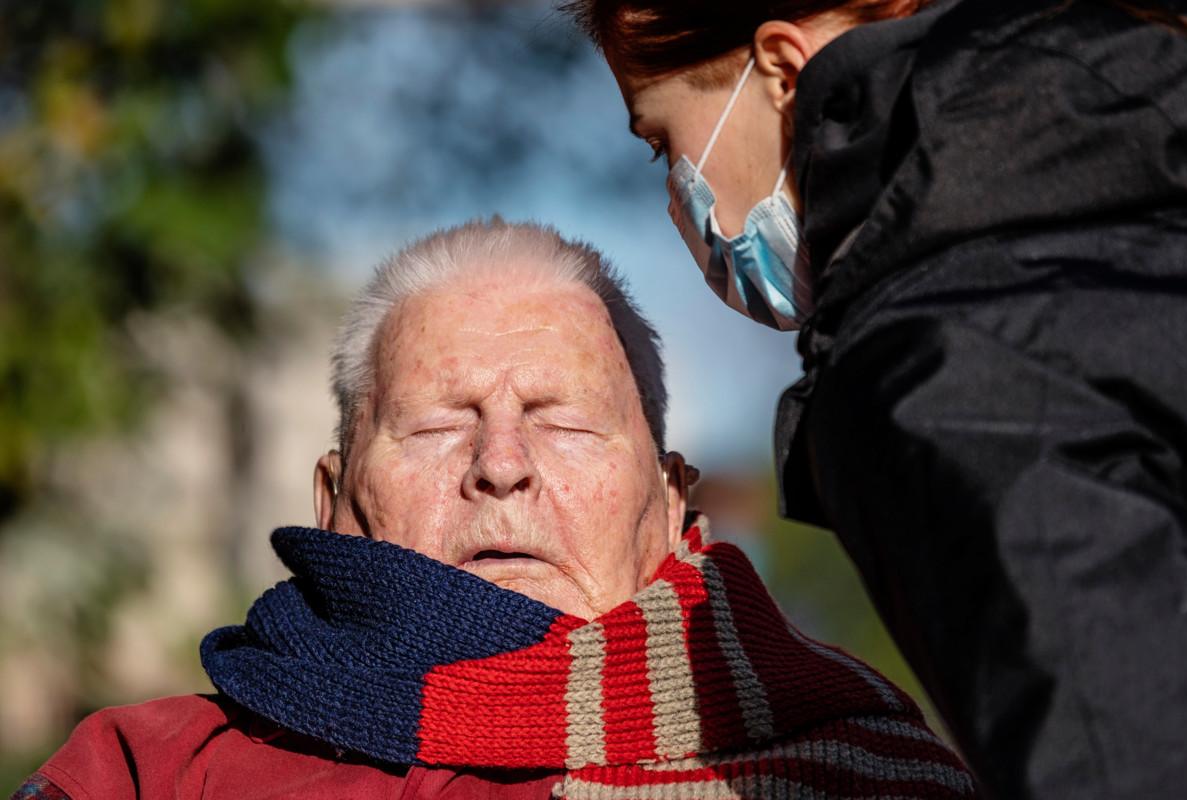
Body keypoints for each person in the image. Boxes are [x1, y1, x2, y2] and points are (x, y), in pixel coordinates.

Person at [14, 220, 974, 800]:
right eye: (436, 427)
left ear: (673, 502)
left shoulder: (857, 763)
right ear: (332, 499)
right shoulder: (142, 772)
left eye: (565, 425)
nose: (501, 468)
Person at [562, 0, 1187, 797]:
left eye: (661, 142)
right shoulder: (1146, 158)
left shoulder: (939, 357)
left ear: (783, 70)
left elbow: (1116, 754)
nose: (674, 202)